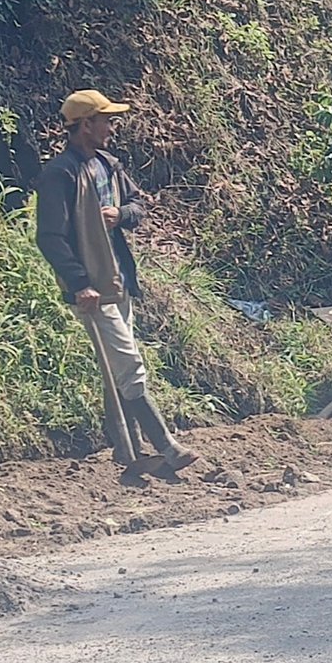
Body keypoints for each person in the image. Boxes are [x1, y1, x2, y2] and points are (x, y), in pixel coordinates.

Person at [34, 89, 199, 471]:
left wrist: (121, 214)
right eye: (106, 121)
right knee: (129, 365)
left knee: (118, 368)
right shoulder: (60, 174)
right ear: (85, 125)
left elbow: (138, 206)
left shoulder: (108, 164)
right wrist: (79, 284)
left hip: (118, 279)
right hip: (93, 288)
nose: (112, 128)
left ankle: (128, 451)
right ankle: (167, 446)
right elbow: (50, 237)